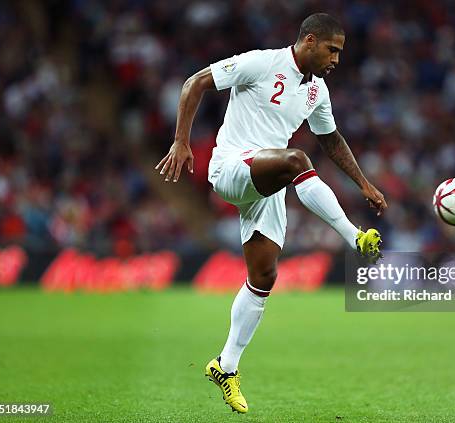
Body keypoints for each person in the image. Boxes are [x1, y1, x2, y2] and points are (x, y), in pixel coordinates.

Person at [155, 13, 387, 414]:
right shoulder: (262, 63)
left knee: (263, 277)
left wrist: (363, 184)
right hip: (231, 166)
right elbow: (195, 83)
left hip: (267, 179)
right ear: (310, 41)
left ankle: (225, 366)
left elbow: (331, 140)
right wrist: (181, 142)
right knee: (297, 160)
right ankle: (355, 238)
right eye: (332, 50)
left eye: (341, 53)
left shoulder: (318, 92)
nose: (336, 59)